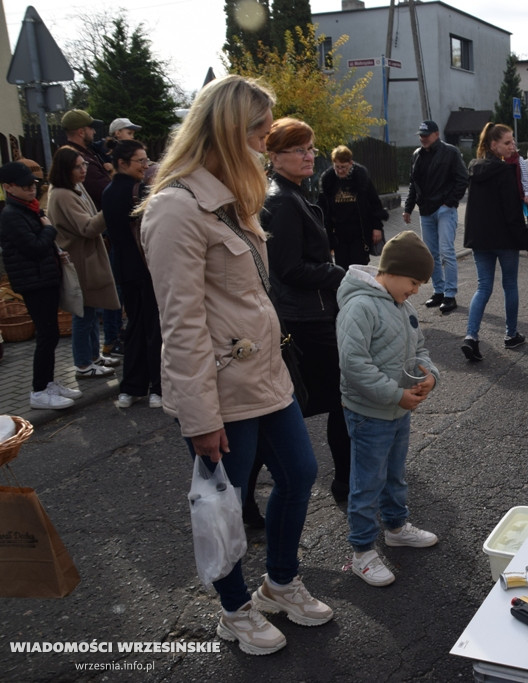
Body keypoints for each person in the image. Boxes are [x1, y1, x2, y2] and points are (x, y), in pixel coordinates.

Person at [140, 75, 334, 655]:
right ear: (227, 131)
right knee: (224, 502)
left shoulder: (234, 198)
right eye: (258, 130)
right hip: (220, 389)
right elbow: (180, 322)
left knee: (299, 474)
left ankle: (279, 583)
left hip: (266, 377)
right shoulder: (177, 207)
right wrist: (199, 417)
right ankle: (233, 610)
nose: (265, 141)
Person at [336, 230, 440, 587]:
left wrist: (431, 376)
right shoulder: (360, 306)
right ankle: (362, 551)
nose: (415, 291)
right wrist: (395, 395)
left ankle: (395, 527)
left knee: (394, 475)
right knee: (367, 483)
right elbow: (354, 364)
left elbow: (421, 350)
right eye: (413, 282)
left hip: (398, 410)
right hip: (369, 413)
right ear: (392, 271)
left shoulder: (404, 306)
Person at [261, 117, 351, 511]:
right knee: (338, 401)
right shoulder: (281, 199)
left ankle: (346, 483)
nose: (309, 156)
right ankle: (346, 486)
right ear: (275, 155)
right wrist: (341, 274)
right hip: (304, 320)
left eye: (311, 148)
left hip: (310, 313)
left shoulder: (292, 193)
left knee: (323, 403)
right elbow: (288, 268)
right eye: (299, 149)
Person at [0, 162, 83, 409]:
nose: (32, 190)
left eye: (33, 185)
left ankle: (48, 382)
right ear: (8, 187)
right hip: (33, 282)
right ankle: (39, 390)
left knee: (51, 334)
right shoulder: (12, 215)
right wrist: (49, 231)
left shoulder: (28, 210)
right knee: (46, 335)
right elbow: (34, 247)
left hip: (43, 278)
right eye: (25, 186)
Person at [47, 146, 120, 379]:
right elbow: (87, 227)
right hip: (80, 261)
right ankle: (82, 364)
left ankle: (93, 357)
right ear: (65, 169)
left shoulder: (75, 188)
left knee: (89, 311)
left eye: (84, 165)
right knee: (83, 314)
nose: (83, 170)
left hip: (86, 258)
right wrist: (109, 207)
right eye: (78, 166)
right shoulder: (62, 194)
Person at [460, 123, 528, 362]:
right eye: (508, 143)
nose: (513, 147)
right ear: (493, 145)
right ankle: (511, 335)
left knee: (483, 287)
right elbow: (512, 213)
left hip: (480, 239)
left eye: (513, 142)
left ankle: (471, 336)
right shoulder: (503, 171)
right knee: (509, 284)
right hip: (505, 239)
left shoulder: (474, 168)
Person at [102, 140, 162, 409]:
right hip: (147, 268)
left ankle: (130, 387)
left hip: (125, 269)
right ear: (122, 163)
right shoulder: (140, 191)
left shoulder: (107, 191)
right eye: (141, 161)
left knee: (135, 326)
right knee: (155, 327)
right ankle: (158, 388)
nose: (145, 166)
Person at [402, 120, 468, 314]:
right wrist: (407, 208)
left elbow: (462, 178)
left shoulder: (450, 152)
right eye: (421, 135)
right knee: (431, 254)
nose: (423, 138)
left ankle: (450, 295)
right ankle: (439, 291)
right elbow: (413, 183)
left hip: (444, 209)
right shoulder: (417, 155)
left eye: (426, 134)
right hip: (426, 210)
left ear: (436, 134)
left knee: (447, 251)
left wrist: (449, 202)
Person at [318, 144, 388, 268]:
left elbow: (374, 203)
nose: (340, 171)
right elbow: (323, 208)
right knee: (341, 267)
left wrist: (377, 227)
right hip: (338, 233)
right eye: (337, 167)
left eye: (343, 167)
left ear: (350, 163)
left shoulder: (361, 177)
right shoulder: (328, 180)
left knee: (359, 266)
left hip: (359, 231)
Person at [60, 109, 110, 210]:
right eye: (91, 128)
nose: (94, 132)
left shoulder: (83, 154)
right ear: (81, 132)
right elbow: (107, 193)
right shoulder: (80, 160)